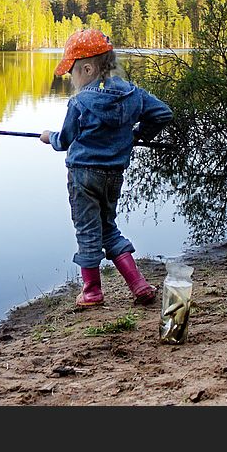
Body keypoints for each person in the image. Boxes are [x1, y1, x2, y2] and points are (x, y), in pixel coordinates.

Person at [41, 28, 173, 307]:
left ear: (87, 68)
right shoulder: (133, 95)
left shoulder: (80, 102)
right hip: (114, 175)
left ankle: (91, 291)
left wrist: (48, 137)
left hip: (82, 176)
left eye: (73, 73)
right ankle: (138, 285)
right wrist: (138, 134)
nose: (72, 80)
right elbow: (163, 113)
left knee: (87, 230)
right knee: (107, 228)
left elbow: (64, 140)